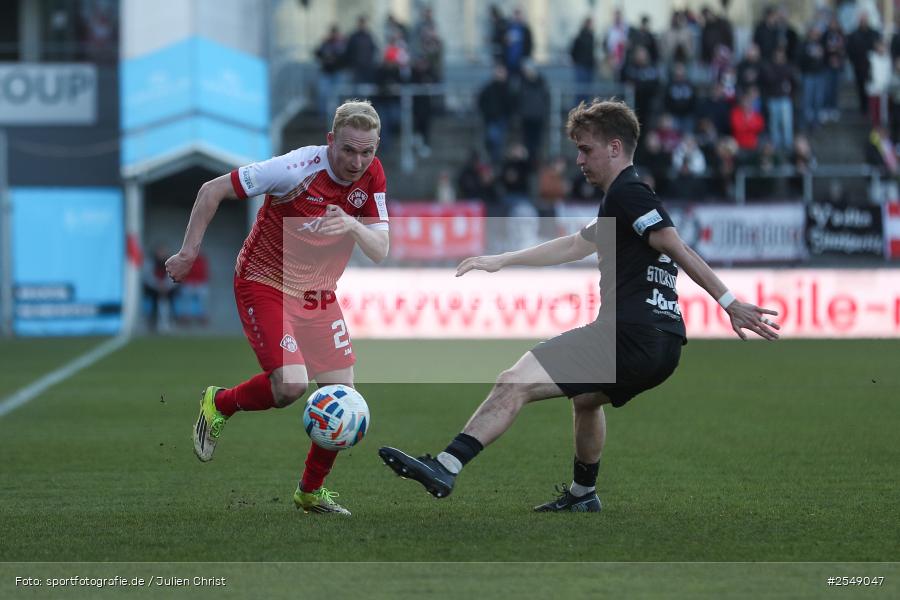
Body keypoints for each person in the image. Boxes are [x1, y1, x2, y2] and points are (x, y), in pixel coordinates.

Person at [378, 99, 780, 510]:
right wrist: (503, 260)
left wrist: (729, 302)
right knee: (586, 400)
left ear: (615, 147)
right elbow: (574, 245)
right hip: (663, 345)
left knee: (514, 381)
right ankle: (583, 494)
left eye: (586, 149)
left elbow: (675, 245)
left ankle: (446, 464)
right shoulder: (623, 199)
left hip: (630, 336)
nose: (579, 160)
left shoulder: (628, 193)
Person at [166, 100, 390, 516]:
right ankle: (220, 403)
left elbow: (380, 250)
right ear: (330, 141)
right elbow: (211, 190)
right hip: (264, 282)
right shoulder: (294, 169)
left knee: (344, 399)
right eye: (348, 150)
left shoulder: (372, 175)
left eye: (367, 152)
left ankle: (310, 492)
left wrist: (351, 223)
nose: (357, 162)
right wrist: (187, 253)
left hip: (317, 294)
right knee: (290, 387)